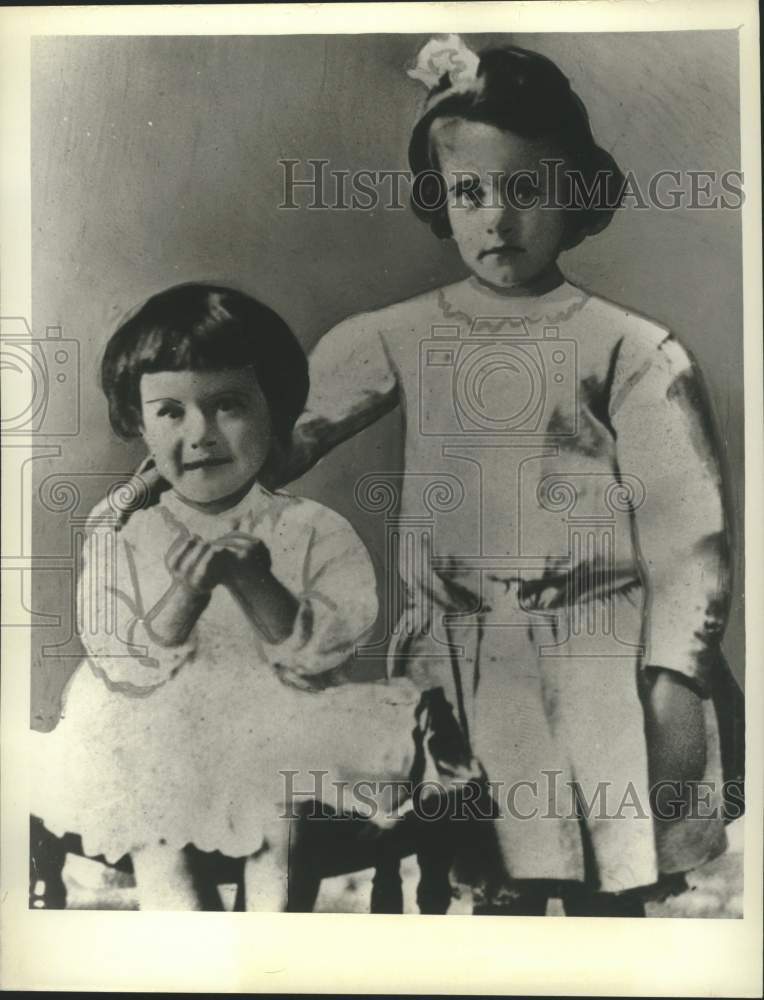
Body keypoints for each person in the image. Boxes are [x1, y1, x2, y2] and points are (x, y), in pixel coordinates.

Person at [106, 39, 735, 916]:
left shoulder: (630, 350)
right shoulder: (399, 332)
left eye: (526, 190)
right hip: (462, 661)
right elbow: (281, 439)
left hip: (597, 658)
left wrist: (678, 670)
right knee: (494, 875)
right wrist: (153, 483)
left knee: (605, 884)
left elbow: (688, 530)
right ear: (440, 200)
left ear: (577, 194)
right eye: (468, 193)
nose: (497, 220)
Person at [29, 282, 423, 911]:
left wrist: (256, 583)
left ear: (279, 410)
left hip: (280, 722)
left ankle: (270, 952)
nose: (202, 433)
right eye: (171, 411)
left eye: (229, 405)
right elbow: (123, 658)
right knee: (153, 815)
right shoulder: (126, 531)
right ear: (137, 418)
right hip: (155, 726)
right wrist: (184, 595)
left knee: (280, 804)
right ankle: (186, 949)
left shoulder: (310, 528)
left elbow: (323, 654)